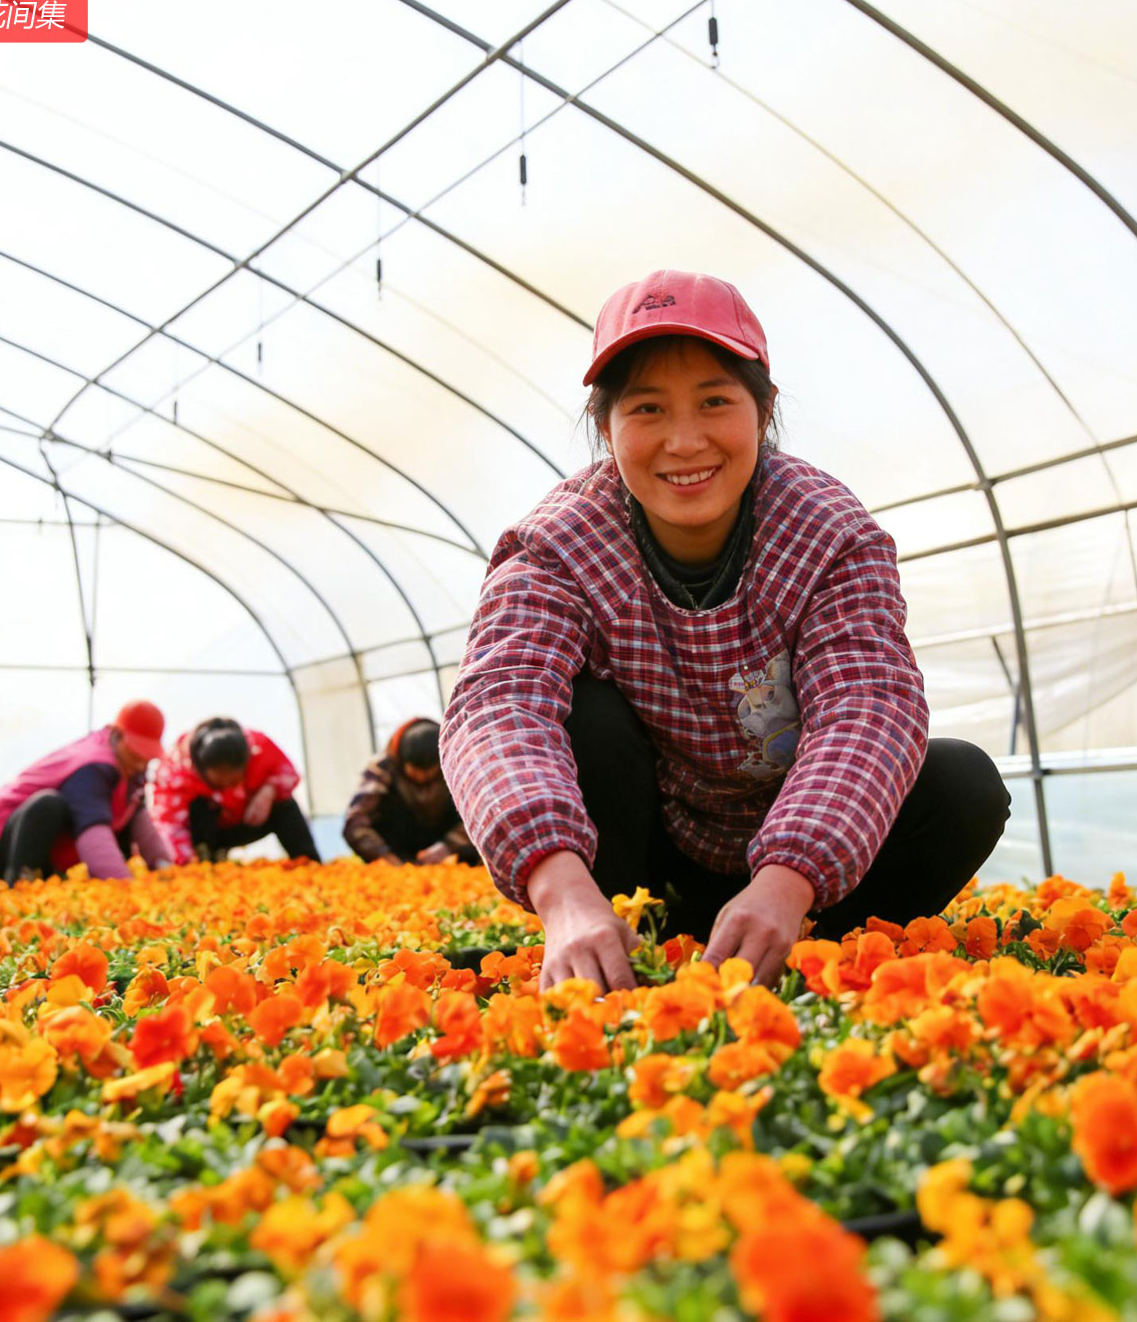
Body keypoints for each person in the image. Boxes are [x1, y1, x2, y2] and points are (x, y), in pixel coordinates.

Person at [441, 269, 1008, 990]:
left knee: (962, 785)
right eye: (647, 408)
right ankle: (622, 939)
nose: (684, 442)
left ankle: (806, 949)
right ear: (606, 424)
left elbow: (867, 706)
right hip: (655, 859)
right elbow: (499, 701)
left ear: (764, 411)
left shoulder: (828, 531)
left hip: (805, 869)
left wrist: (789, 877)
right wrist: (561, 893)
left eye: (715, 401)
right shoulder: (558, 545)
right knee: (588, 718)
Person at [0, 700, 175, 884]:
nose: (141, 763)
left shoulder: (130, 770)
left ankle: (49, 880)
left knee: (120, 822)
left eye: (146, 757)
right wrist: (124, 887)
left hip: (51, 851)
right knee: (49, 805)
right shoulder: (94, 766)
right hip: (5, 845)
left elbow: (139, 819)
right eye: (136, 752)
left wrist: (165, 871)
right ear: (118, 735)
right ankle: (19, 884)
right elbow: (93, 831)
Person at [147, 717, 320, 864]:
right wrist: (187, 867)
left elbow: (289, 773)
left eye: (234, 779)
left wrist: (268, 792)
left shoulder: (259, 747)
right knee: (198, 808)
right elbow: (169, 825)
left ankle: (309, 863)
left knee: (286, 805)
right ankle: (209, 865)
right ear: (202, 768)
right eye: (220, 781)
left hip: (249, 819)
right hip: (208, 834)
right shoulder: (176, 768)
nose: (227, 786)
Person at [343, 717, 479, 867]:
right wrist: (383, 855)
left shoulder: (457, 764)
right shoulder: (382, 767)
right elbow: (356, 821)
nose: (421, 778)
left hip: (449, 854)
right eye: (415, 771)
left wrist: (448, 846)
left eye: (427, 772)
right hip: (395, 852)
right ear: (402, 760)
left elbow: (480, 814)